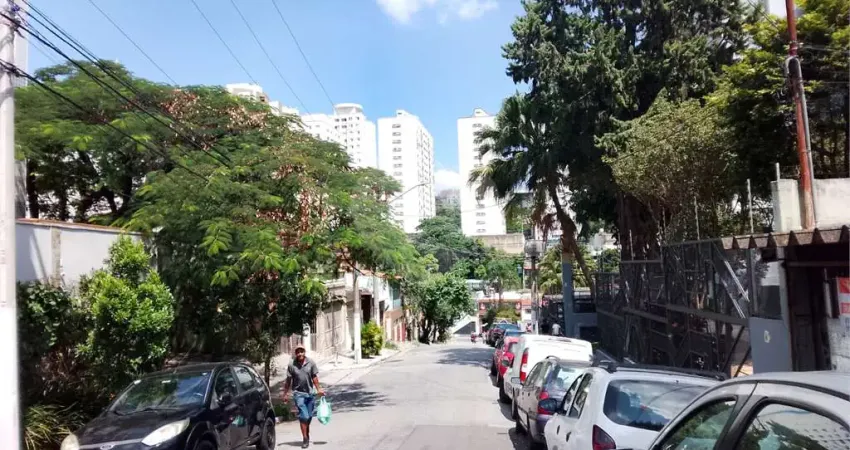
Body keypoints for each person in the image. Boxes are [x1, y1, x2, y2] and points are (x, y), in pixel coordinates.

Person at [282, 344, 324, 448]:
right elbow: (288, 380)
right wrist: (285, 393)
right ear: (295, 353)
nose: (300, 353)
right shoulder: (292, 365)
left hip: (310, 394)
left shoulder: (311, 363)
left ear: (304, 352)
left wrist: (319, 389)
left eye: (301, 351)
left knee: (309, 416)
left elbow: (314, 377)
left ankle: (306, 432)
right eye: (297, 352)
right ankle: (305, 438)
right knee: (303, 416)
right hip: (298, 394)